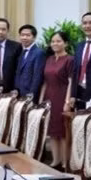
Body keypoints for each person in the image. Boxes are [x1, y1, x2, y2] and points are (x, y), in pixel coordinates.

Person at [38, 31, 74, 171]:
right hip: (49, 96)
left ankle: (65, 163)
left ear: (65, 43)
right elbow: (45, 82)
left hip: (62, 96)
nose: (55, 44)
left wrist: (67, 102)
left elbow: (71, 82)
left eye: (58, 41)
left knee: (63, 132)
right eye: (53, 41)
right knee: (52, 130)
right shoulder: (49, 59)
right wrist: (41, 101)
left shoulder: (70, 59)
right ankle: (55, 160)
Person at [13, 24, 45, 101]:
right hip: (19, 94)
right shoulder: (22, 51)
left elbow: (37, 76)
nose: (24, 37)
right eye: (22, 35)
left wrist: (31, 94)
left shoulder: (39, 53)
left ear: (34, 37)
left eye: (28, 35)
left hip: (29, 95)